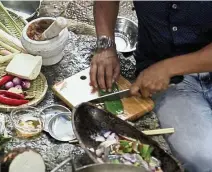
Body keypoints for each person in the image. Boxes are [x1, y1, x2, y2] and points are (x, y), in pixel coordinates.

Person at [90, 1, 212, 172]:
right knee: (204, 161)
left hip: (171, 69)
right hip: (168, 80)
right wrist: (106, 46)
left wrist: (169, 67)